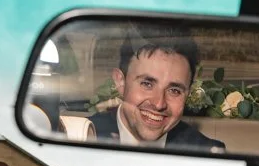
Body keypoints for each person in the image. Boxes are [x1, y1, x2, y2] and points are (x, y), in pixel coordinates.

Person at [89, 23, 226, 151]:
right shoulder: (81, 136)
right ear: (121, 82)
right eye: (147, 84)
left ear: (188, 94)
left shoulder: (205, 153)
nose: (159, 104)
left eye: (174, 90)